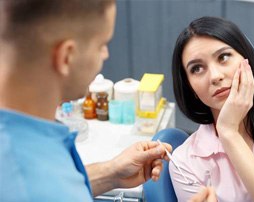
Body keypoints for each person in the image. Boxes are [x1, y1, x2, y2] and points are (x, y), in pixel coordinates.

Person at [0, 0, 174, 201]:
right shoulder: (29, 187)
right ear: (67, 56)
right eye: (102, 45)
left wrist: (111, 172)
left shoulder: (26, 141)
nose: (106, 54)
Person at [169, 16, 254, 202]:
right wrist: (228, 131)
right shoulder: (185, 163)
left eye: (223, 57)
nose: (215, 76)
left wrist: (228, 132)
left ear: (248, 58)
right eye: (197, 68)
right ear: (190, 87)